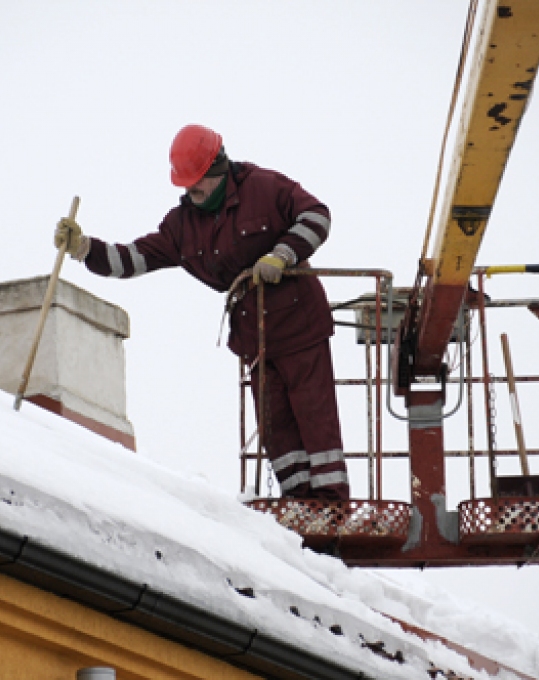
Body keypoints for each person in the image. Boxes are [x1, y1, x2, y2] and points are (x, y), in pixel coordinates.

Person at [54, 124, 349, 500]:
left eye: (197, 183)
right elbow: (133, 258)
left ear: (219, 169)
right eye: (186, 185)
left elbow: (317, 216)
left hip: (299, 326)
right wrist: (83, 248)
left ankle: (331, 506)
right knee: (277, 431)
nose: (191, 193)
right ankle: (299, 504)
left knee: (315, 419)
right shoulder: (182, 227)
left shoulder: (264, 187)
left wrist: (282, 253)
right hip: (255, 342)